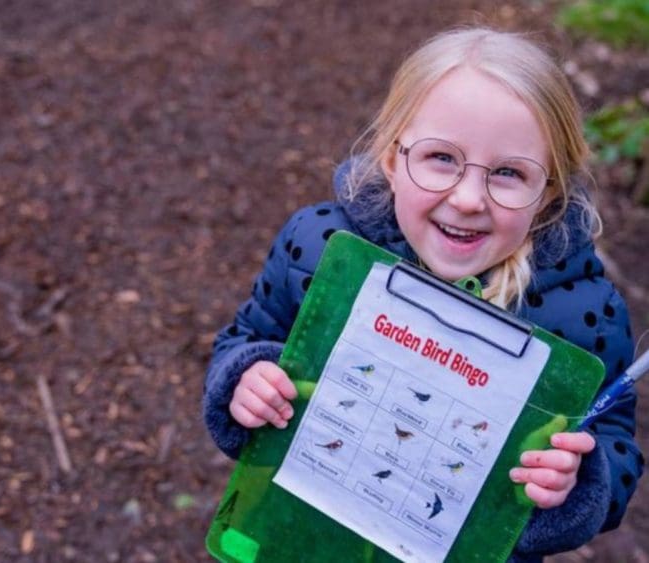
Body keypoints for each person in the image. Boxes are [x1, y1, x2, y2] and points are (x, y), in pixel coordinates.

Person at [202, 27, 643, 560]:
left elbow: (615, 444)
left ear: (549, 191)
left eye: (508, 173)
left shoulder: (580, 313)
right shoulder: (320, 250)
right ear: (391, 157)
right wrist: (246, 381)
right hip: (302, 536)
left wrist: (577, 481)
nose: (467, 198)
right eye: (441, 158)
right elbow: (248, 336)